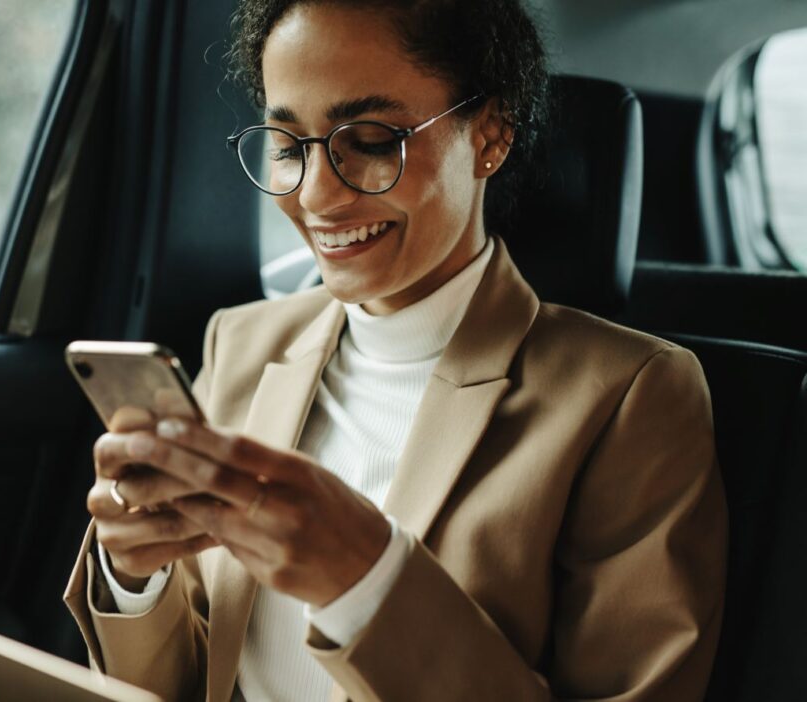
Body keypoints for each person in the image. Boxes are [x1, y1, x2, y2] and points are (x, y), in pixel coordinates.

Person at [64, 1, 728, 700]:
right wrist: (136, 579)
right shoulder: (242, 343)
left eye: (374, 140)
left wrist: (367, 581)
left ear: (490, 136)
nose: (317, 196)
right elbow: (189, 681)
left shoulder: (634, 397)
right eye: (290, 147)